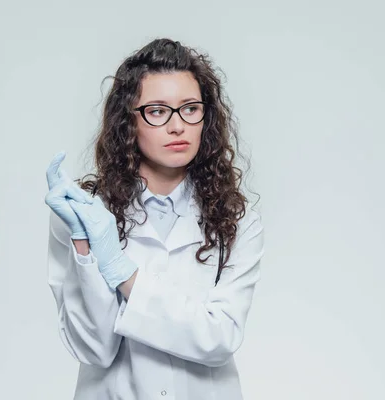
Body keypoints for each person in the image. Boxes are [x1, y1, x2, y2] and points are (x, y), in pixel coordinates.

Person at [43, 38, 265, 400]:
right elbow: (93, 350)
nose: (178, 126)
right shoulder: (86, 215)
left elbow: (220, 337)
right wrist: (83, 244)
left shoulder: (237, 221)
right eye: (157, 111)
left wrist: (120, 271)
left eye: (190, 109)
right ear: (127, 121)